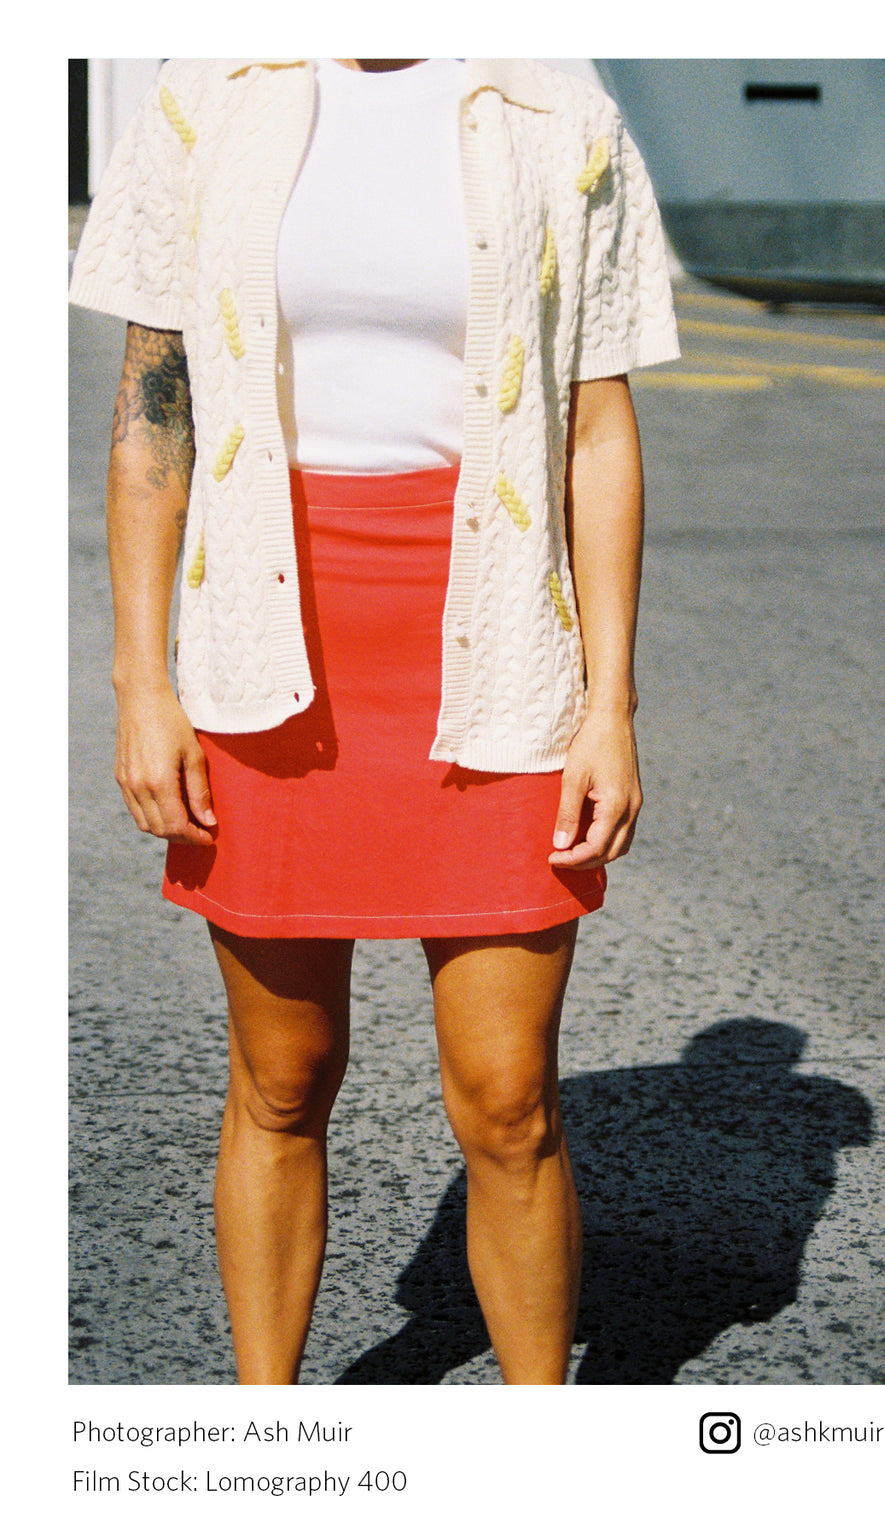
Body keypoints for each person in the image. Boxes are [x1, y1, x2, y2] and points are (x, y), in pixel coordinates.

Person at [69, 56, 680, 1385]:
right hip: (267, 643)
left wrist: (610, 704)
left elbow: (598, 428)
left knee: (508, 1097)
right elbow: (152, 414)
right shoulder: (205, 95)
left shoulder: (557, 110)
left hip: (498, 643)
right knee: (281, 1079)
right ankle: (271, 1444)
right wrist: (141, 684)